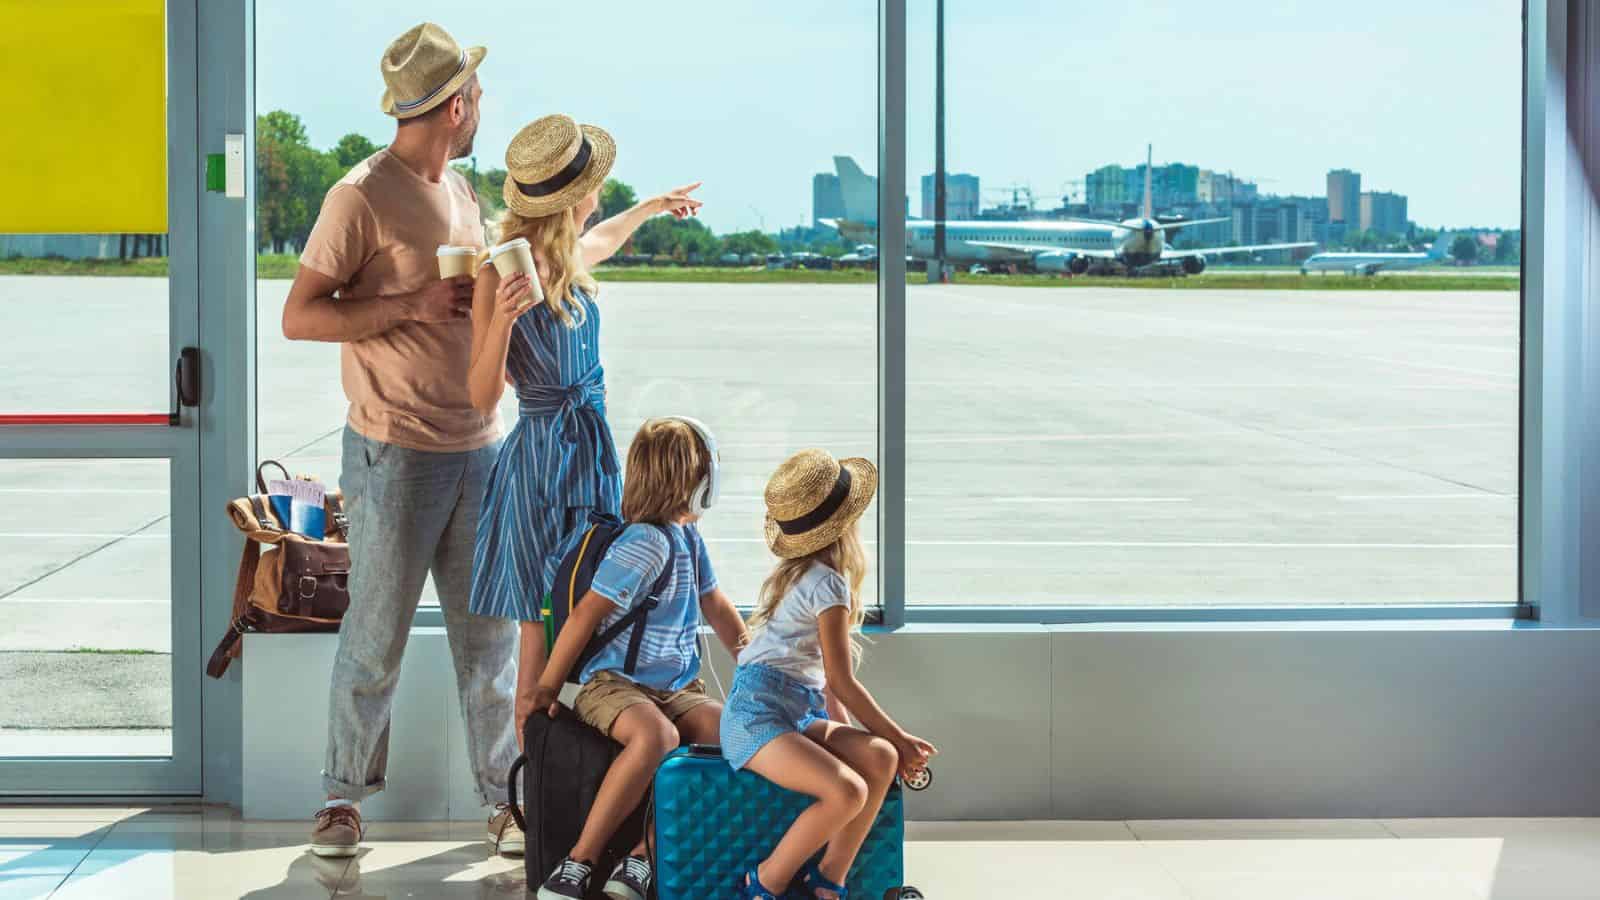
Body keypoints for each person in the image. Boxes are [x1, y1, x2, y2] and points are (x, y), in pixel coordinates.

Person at [281, 23, 521, 859]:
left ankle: (506, 799)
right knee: (375, 635)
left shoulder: (462, 195)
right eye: (479, 96)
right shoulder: (359, 195)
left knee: (491, 642)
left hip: (482, 449)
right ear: (457, 105)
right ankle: (342, 798)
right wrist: (409, 309)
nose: (483, 106)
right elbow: (299, 315)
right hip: (394, 452)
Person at [463, 116, 699, 714]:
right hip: (541, 464)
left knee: (588, 601)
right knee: (540, 621)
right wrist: (503, 322)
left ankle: (579, 759)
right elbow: (481, 397)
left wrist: (650, 207)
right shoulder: (499, 273)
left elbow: (608, 237)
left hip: (589, 456)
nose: (601, 197)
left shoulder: (572, 256)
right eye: (596, 186)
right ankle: (534, 782)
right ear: (572, 199)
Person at [526, 419, 749, 900]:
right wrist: (547, 687)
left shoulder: (689, 539)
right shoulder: (645, 543)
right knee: (657, 736)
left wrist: (751, 662)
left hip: (677, 687)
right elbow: (585, 616)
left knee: (737, 738)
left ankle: (643, 857)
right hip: (614, 683)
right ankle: (579, 861)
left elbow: (716, 605)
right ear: (694, 480)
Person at [722, 449, 938, 900]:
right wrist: (901, 737)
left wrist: (881, 743)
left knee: (878, 758)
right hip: (758, 718)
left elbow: (820, 681)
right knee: (847, 791)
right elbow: (842, 681)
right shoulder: (828, 584)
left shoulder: (800, 574)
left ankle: (828, 881)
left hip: (791, 710)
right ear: (846, 524)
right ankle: (764, 883)